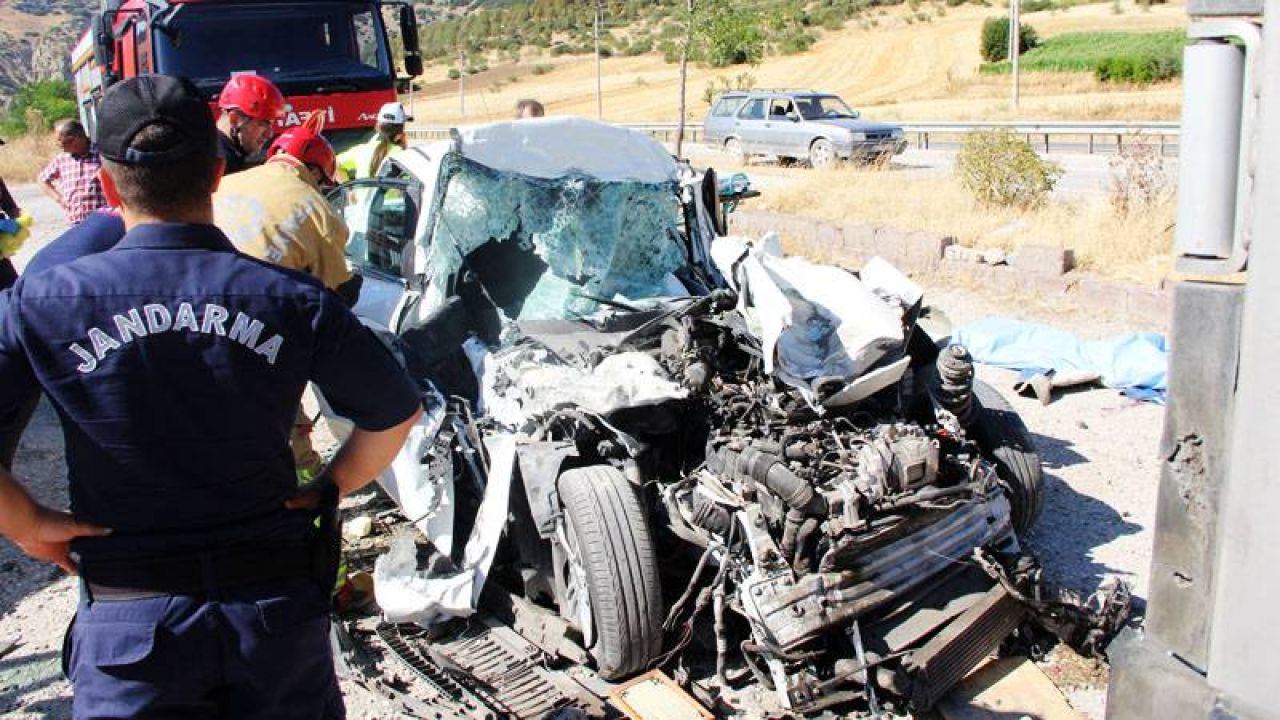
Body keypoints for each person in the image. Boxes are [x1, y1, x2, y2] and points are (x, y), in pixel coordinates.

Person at [0, 74, 422, 719]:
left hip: (130, 625)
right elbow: (395, 411)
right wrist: (330, 486)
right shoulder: (292, 300)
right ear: (218, 173)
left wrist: (27, 524)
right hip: (273, 616)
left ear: (109, 187)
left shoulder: (40, 303)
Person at [214, 126, 360, 479]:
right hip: (255, 330)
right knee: (284, 426)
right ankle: (306, 504)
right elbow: (336, 292)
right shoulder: (317, 209)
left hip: (191, 316)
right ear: (313, 172)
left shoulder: (228, 183)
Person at [38, 119, 108, 225]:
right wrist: (60, 199)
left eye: (60, 142)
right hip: (76, 223)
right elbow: (42, 180)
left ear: (74, 140)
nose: (59, 146)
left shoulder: (104, 155)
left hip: (103, 221)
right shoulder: (62, 159)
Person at [216, 74, 286, 175]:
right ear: (234, 119)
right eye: (262, 123)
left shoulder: (224, 155)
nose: (269, 134)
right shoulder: (217, 165)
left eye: (271, 124)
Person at [336, 102, 407, 181]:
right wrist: (404, 146)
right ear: (400, 134)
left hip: (359, 193)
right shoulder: (403, 156)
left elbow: (335, 165)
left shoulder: (362, 150)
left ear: (377, 127)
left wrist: (348, 190)